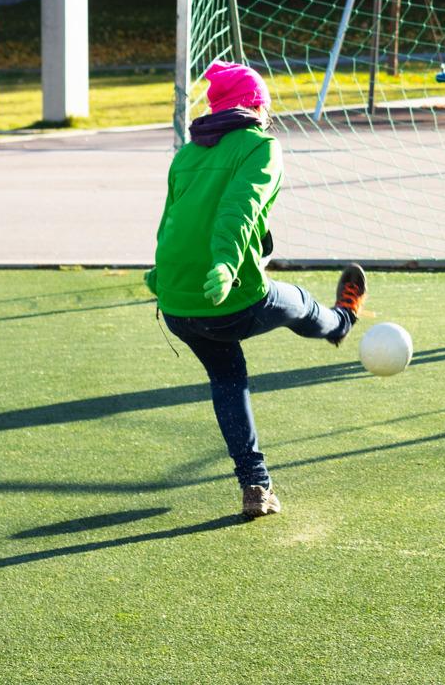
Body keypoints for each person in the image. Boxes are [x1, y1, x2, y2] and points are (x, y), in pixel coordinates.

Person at [147, 60, 366, 520]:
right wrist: (227, 265)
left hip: (177, 305)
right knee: (301, 305)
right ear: (256, 107)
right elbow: (239, 208)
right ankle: (341, 322)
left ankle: (256, 487)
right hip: (231, 297)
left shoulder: (186, 154)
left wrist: (158, 275)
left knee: (228, 380)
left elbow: (171, 220)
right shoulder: (261, 147)